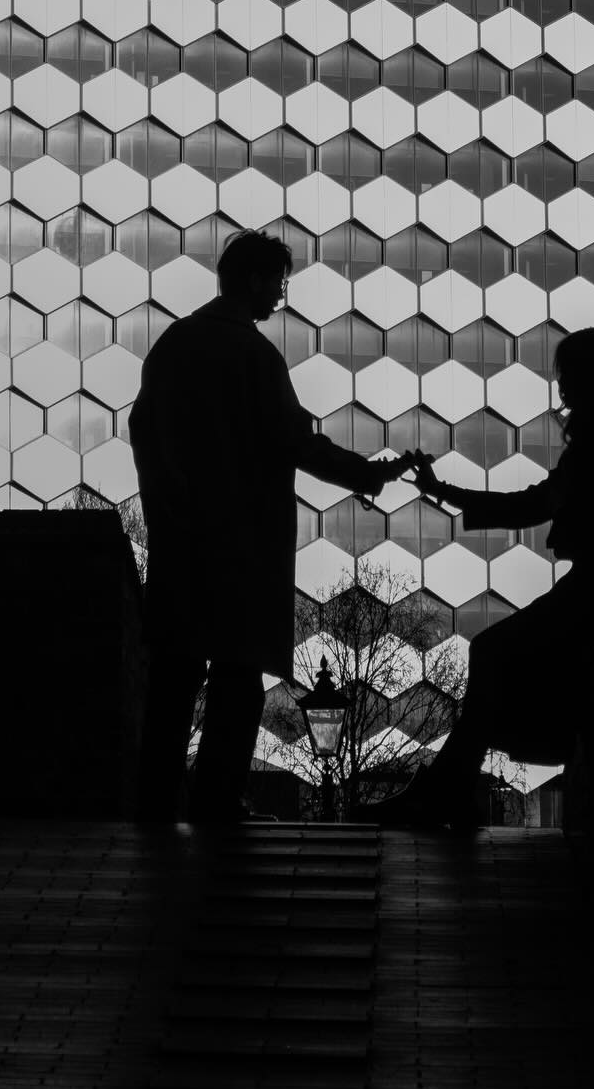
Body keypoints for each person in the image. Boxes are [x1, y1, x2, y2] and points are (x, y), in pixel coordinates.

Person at [128, 230, 414, 826]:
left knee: (176, 679)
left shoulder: (174, 345)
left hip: (182, 544)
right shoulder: (254, 356)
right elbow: (295, 443)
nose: (281, 295)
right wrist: (369, 473)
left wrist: (166, 507)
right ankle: (214, 801)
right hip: (241, 548)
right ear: (255, 280)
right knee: (236, 677)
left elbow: (143, 430)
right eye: (278, 282)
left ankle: (154, 803)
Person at [374, 324, 594, 828]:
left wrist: (442, 490)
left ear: (591, 379)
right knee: (495, 653)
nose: (560, 388)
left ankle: (446, 790)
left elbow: (534, 504)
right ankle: (449, 788)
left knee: (491, 651)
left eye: (567, 376)